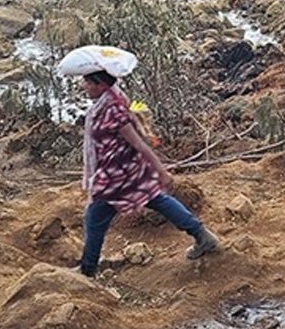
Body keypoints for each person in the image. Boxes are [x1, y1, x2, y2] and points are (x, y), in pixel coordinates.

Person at [76, 69, 219, 277]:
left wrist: (161, 171)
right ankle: (202, 235)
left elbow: (139, 144)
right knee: (156, 199)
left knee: (94, 217)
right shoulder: (105, 105)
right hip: (127, 170)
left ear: (100, 85)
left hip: (117, 177)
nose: (83, 86)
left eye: (87, 83)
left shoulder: (114, 110)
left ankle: (87, 271)